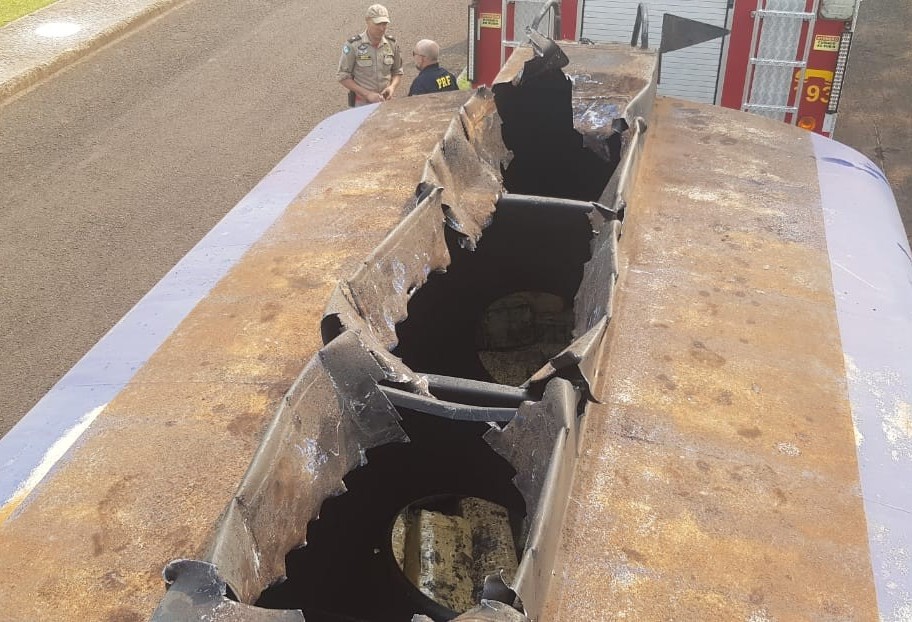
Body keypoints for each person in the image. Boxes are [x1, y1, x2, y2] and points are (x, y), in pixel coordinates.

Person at [338, 4, 404, 107]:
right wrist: (367, 94)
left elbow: (397, 71)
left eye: (385, 23)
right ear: (367, 21)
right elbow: (343, 76)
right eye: (378, 24)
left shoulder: (392, 44)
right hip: (361, 104)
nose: (382, 28)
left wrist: (392, 87)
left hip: (385, 102)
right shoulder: (353, 45)